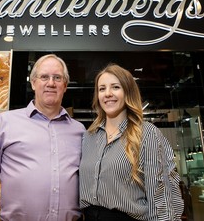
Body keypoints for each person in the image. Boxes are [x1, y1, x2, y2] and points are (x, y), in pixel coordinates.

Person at [0, 54, 86, 221]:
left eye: (57, 78)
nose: (51, 83)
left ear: (65, 85)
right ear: (33, 83)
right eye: (44, 77)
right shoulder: (6, 123)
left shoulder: (79, 131)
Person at [79, 64, 184, 221]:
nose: (107, 94)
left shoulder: (147, 133)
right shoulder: (89, 136)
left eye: (115, 87)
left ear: (128, 92)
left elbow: (159, 195)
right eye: (102, 89)